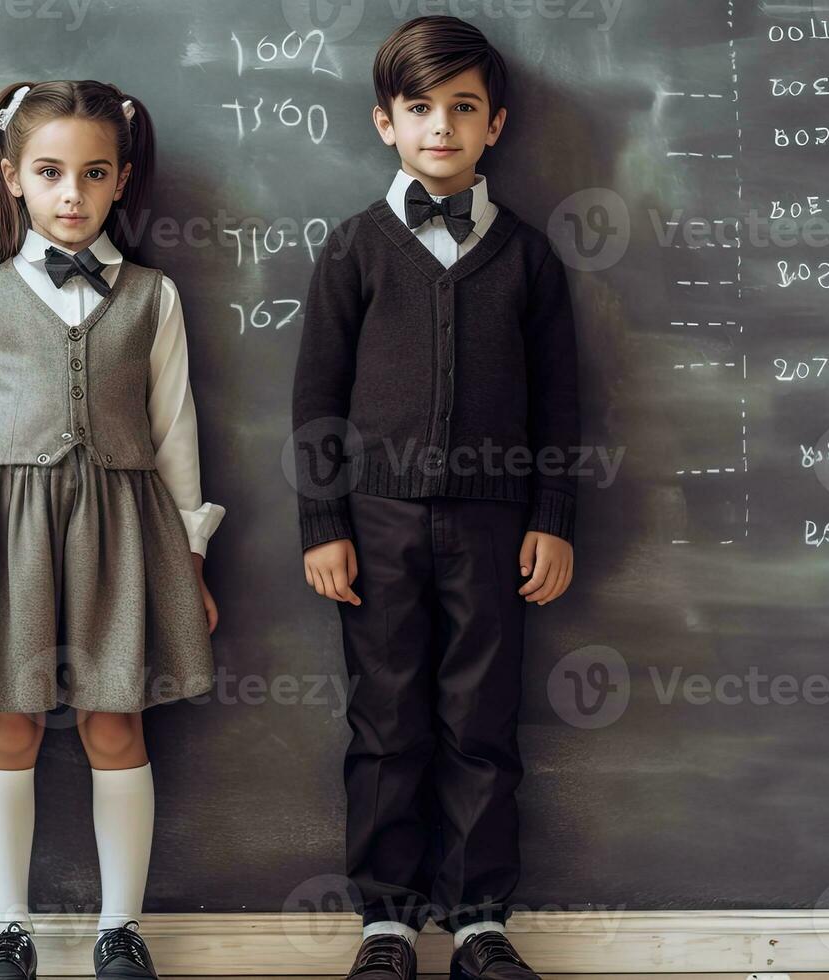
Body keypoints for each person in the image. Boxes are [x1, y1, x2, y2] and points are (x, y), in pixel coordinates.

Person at [0, 79, 224, 980]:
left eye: (92, 174)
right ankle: (9, 932)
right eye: (49, 173)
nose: (71, 193)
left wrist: (190, 558)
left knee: (116, 726)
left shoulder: (154, 298)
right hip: (3, 539)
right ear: (12, 178)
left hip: (125, 535)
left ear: (120, 182)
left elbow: (176, 437)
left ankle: (123, 930)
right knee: (10, 724)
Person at [290, 15, 579, 980]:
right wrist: (324, 523)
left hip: (496, 528)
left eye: (462, 109)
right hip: (374, 526)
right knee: (385, 723)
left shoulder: (529, 259)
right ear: (385, 123)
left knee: (482, 722)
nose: (441, 127)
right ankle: (385, 924)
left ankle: (479, 920)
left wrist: (552, 518)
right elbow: (315, 400)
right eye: (420, 109)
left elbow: (560, 403)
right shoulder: (355, 250)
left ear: (494, 124)